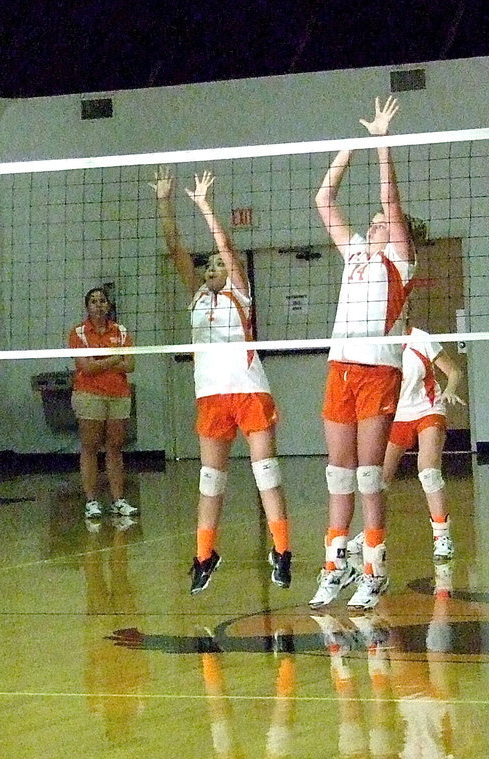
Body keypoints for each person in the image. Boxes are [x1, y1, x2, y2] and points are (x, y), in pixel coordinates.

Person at [153, 167, 293, 594]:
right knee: (210, 480)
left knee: (265, 471)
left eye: (219, 264)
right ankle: (204, 555)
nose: (215, 266)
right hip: (211, 396)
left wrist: (205, 206)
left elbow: (229, 248)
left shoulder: (240, 295)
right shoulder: (197, 296)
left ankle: (282, 551)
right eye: (210, 264)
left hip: (249, 390)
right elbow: (175, 246)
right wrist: (165, 201)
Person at [310, 95, 415, 611]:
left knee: (370, 473)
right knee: (338, 470)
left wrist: (381, 142)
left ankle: (375, 567)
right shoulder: (354, 253)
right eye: (371, 222)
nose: (374, 224)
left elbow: (391, 200)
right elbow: (324, 200)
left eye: (381, 223)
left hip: (378, 371)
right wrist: (345, 151)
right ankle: (336, 563)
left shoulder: (400, 261)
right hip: (341, 367)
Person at [375, 322, 464, 560]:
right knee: (376, 479)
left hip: (428, 409)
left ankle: (442, 536)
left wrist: (450, 390)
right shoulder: (378, 342)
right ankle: (371, 534)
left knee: (428, 471)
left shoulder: (421, 338)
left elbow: (454, 371)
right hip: (396, 416)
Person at [68, 286, 138, 527]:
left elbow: (130, 365)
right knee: (90, 446)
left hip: (118, 394)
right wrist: (113, 359)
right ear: (87, 306)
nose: (98, 304)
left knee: (116, 446)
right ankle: (91, 501)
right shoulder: (78, 333)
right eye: (94, 301)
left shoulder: (121, 331)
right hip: (89, 395)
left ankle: (118, 500)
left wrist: (101, 362)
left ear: (109, 305)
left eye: (102, 301)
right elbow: (85, 368)